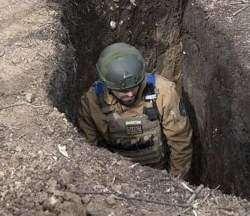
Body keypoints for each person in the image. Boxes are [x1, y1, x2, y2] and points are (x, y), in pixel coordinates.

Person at [77, 43, 193, 179]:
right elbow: (87, 149)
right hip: (117, 178)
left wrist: (176, 184)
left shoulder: (164, 93)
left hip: (159, 176)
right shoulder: (92, 102)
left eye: (134, 87)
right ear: (107, 85)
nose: (130, 94)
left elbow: (180, 143)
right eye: (123, 91)